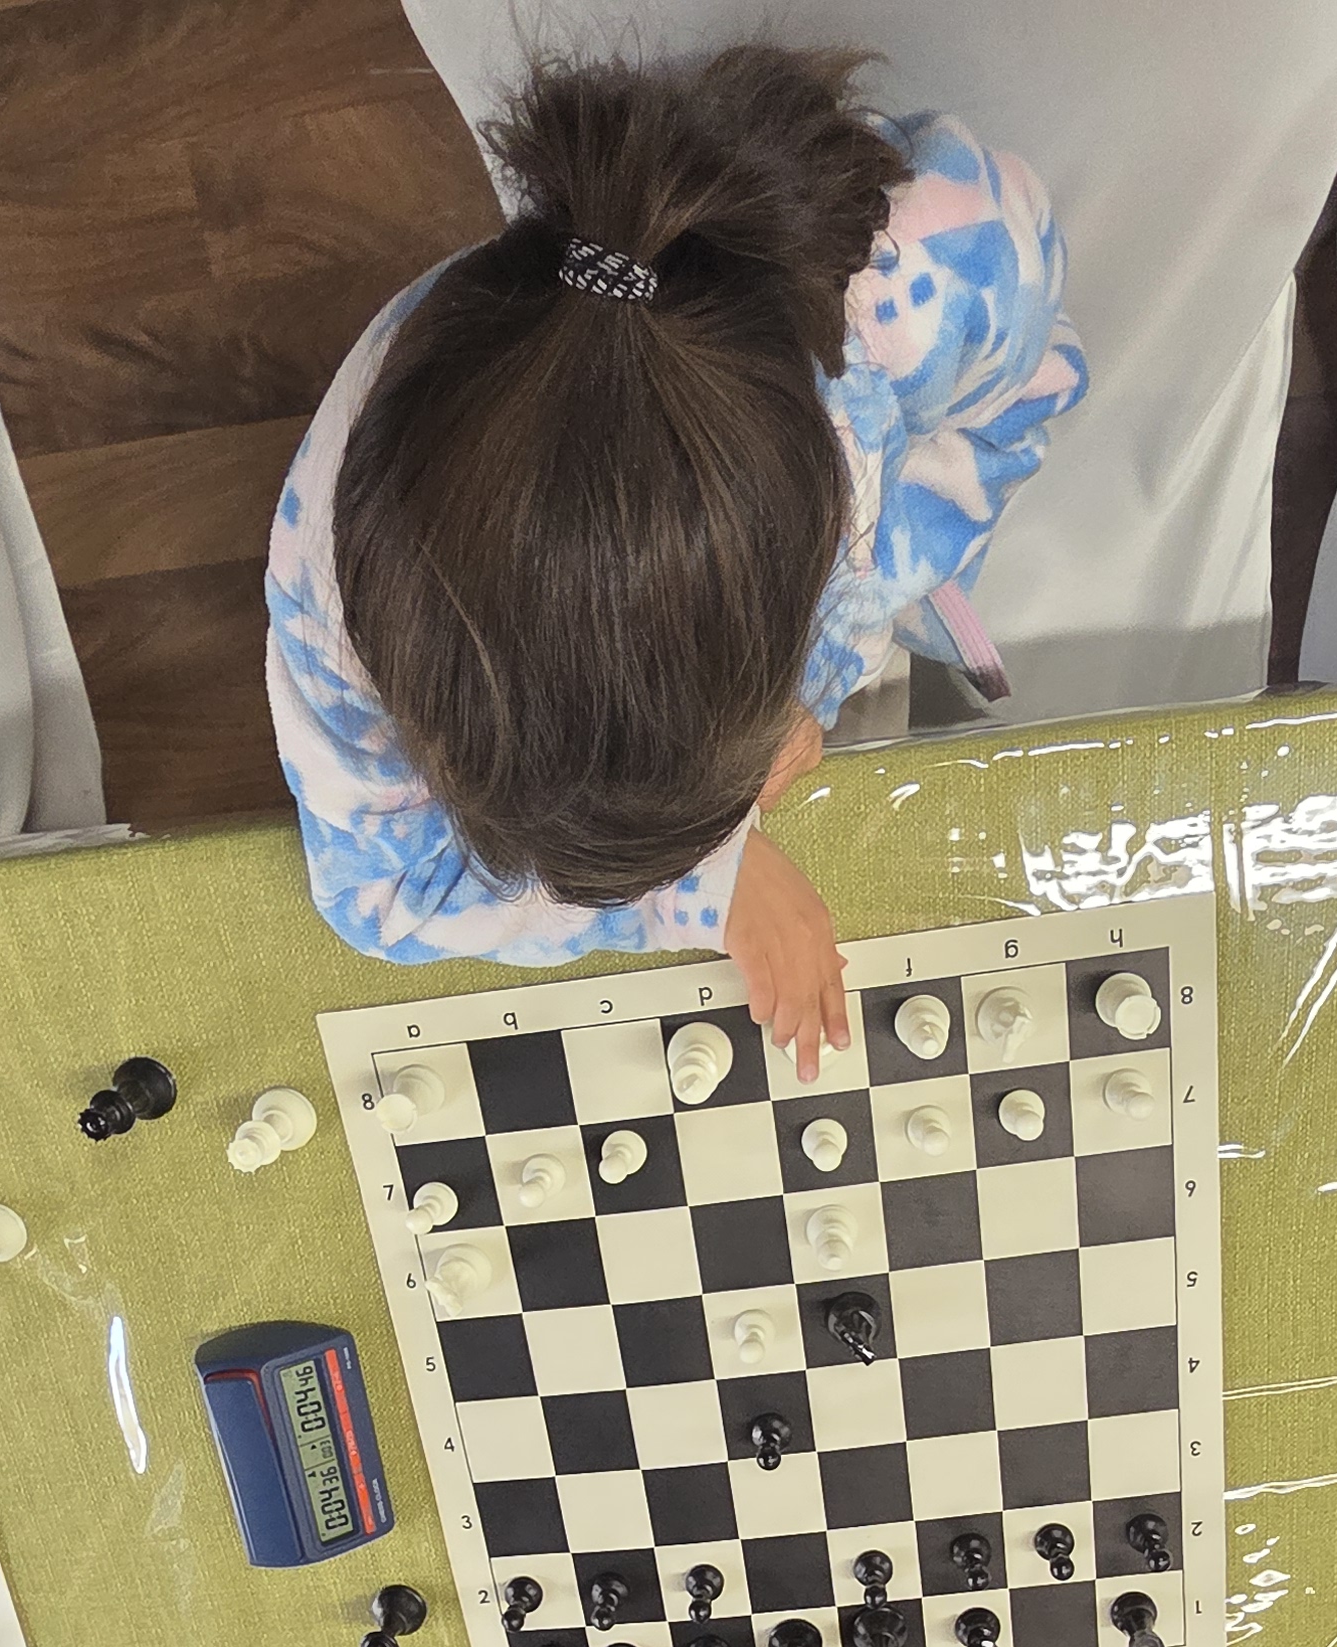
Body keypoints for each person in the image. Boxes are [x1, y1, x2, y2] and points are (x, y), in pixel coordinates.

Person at [265, 45, 1084, 1076]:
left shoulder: (948, 269)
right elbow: (383, 897)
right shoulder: (332, 597)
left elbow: (1023, 395)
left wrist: (854, 627)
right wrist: (705, 884)